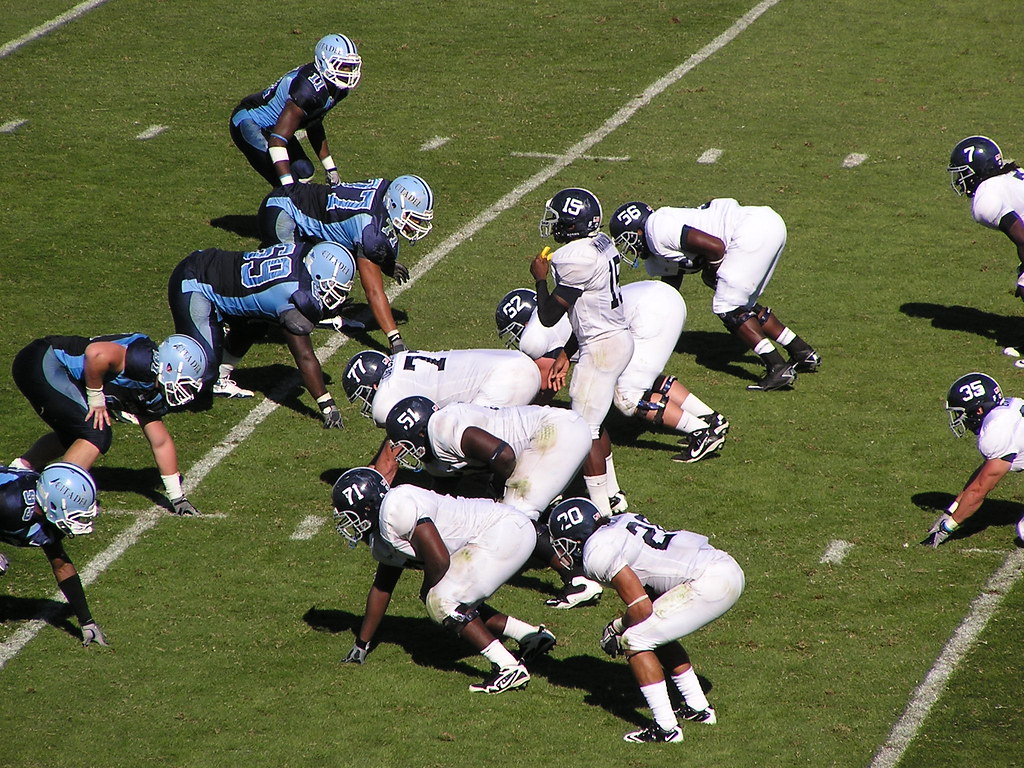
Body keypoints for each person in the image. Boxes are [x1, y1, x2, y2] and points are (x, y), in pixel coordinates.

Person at [332, 467, 557, 693]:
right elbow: (383, 586)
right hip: (500, 532)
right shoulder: (383, 535)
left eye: (349, 515)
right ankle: (530, 636)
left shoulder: (396, 509)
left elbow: (439, 560)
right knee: (453, 599)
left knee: (441, 600)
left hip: (503, 530)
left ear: (367, 506)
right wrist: (361, 644)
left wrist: (427, 590)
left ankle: (508, 667)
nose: (348, 524)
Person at [547, 497, 744, 743]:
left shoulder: (597, 552)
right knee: (651, 632)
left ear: (576, 538)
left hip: (708, 581)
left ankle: (666, 728)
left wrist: (617, 627)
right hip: (721, 566)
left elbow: (640, 607)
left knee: (635, 639)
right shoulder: (620, 521)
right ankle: (698, 708)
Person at [382, 395, 603, 609]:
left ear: (421, 432)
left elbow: (504, 455)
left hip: (554, 433)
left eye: (406, 443)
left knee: (516, 519)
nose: (403, 451)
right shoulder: (435, 451)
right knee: (511, 515)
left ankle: (577, 580)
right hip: (556, 431)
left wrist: (498, 489)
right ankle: (587, 550)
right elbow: (440, 502)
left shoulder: (443, 430)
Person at [496, 280, 730, 464]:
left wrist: (522, 418)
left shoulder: (533, 339)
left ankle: (700, 432)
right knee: (638, 377)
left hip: (648, 312)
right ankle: (712, 419)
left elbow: (545, 386)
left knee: (628, 396)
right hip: (658, 299)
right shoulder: (550, 319)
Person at [610, 199, 820, 391]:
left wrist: (711, 274)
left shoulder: (656, 230)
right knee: (742, 304)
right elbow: (669, 290)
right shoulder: (658, 241)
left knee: (726, 307)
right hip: (766, 225)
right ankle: (802, 352)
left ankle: (777, 366)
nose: (629, 249)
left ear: (638, 230)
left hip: (751, 230)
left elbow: (716, 248)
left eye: (627, 240)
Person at [11, 333, 206, 515]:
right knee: (96, 431)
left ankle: (19, 469)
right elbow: (95, 354)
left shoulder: (152, 393)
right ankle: (59, 494)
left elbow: (160, 442)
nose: (186, 390)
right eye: (185, 382)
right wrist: (96, 397)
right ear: (169, 367)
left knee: (75, 433)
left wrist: (177, 497)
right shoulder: (140, 360)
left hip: (51, 367)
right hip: (44, 361)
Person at [167, 240, 355, 428]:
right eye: (335, 288)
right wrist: (328, 405)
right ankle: (145, 395)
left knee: (256, 324)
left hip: (214, 269)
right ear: (318, 275)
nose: (338, 297)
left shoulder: (300, 254)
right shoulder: (292, 297)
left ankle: (221, 379)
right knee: (201, 371)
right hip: (194, 284)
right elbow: (305, 356)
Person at [531, 188, 634, 518]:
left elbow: (548, 316)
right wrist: (568, 351)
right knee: (595, 422)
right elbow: (587, 311)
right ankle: (613, 495)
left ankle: (602, 513)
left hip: (602, 347)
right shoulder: (600, 243)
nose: (554, 224)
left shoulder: (573, 258)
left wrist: (539, 280)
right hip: (614, 337)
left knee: (583, 430)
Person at [258, 175, 435, 353]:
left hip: (295, 205)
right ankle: (246, 318)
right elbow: (373, 291)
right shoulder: (370, 229)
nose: (416, 224)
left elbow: (357, 233)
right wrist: (395, 339)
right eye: (414, 218)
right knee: (286, 282)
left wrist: (385, 262)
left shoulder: (385, 191)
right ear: (395, 206)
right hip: (284, 211)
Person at [230, 33, 361, 187]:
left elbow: (314, 123)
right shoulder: (306, 91)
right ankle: (277, 208)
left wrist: (330, 168)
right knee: (286, 181)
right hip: (251, 122)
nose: (348, 72)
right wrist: (288, 188)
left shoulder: (337, 89)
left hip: (278, 126)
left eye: (351, 66)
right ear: (324, 62)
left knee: (304, 171)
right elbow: (277, 141)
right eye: (343, 66)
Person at [0, 462, 108, 646]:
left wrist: (86, 621)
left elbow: (61, 565)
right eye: (74, 513)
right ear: (53, 503)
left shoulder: (45, 517)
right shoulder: (9, 502)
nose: (78, 520)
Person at [923, 371, 1024, 547]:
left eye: (963, 414)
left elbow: (978, 491)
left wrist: (945, 529)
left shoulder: (995, 433)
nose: (963, 420)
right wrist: (951, 510)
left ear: (978, 410)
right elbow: (980, 477)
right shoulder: (1009, 407)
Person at [947, 136, 1024, 363]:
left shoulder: (986, 198)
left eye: (964, 173)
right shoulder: (1011, 175)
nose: (961, 180)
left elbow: (1022, 238)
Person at [341, 347, 541, 428]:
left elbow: (402, 441)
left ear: (373, 384)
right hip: (515, 360)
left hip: (505, 380)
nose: (367, 401)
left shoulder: (384, 399)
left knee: (449, 451)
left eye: (364, 393)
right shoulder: (399, 358)